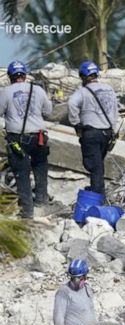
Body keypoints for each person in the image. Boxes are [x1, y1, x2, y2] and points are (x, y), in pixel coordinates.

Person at [0, 60, 52, 218]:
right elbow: (48, 111)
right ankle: (41, 202)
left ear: (10, 76)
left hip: (17, 139)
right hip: (39, 137)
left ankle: (28, 213)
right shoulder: (38, 90)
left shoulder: (5, 92)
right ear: (25, 75)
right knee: (40, 168)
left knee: (22, 174)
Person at [68, 60, 119, 196]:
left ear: (83, 77)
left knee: (95, 167)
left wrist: (76, 123)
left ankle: (97, 196)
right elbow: (115, 111)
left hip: (91, 133)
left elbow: (71, 104)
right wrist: (113, 128)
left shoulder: (83, 92)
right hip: (107, 132)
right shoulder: (109, 89)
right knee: (98, 165)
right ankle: (97, 191)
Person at [53, 259, 107, 325]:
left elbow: (91, 312)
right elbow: (58, 316)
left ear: (85, 276)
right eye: (73, 278)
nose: (76, 281)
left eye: (79, 278)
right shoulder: (64, 291)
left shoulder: (87, 289)